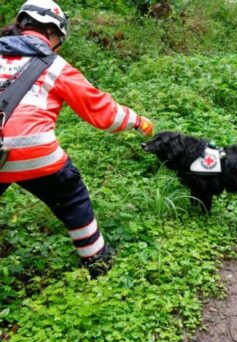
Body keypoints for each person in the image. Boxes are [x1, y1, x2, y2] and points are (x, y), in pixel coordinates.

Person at [0, 0, 154, 278]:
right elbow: (103, 113)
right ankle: (97, 262)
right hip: (35, 151)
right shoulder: (55, 66)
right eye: (59, 37)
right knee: (72, 197)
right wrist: (137, 120)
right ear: (52, 33)